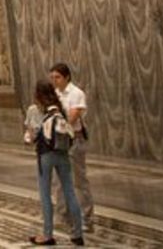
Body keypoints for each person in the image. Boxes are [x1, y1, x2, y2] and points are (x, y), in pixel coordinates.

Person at [24, 80, 85, 246]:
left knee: (45, 194)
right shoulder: (61, 109)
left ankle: (47, 235)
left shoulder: (33, 109)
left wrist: (30, 136)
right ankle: (78, 233)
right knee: (69, 192)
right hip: (63, 153)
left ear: (37, 93)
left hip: (45, 155)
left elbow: (32, 135)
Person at [50, 62, 94, 230]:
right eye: (53, 78)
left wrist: (55, 122)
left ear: (67, 77)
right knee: (58, 181)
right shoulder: (55, 95)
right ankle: (63, 216)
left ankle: (86, 219)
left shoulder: (76, 94)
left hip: (74, 140)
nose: (55, 81)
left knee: (78, 180)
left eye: (58, 77)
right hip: (58, 142)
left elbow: (71, 118)